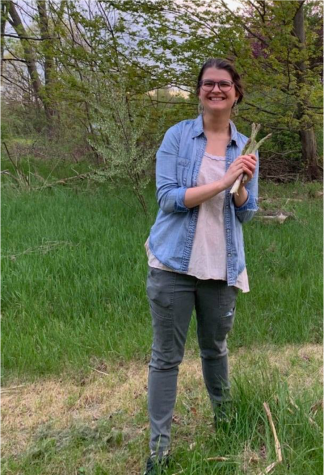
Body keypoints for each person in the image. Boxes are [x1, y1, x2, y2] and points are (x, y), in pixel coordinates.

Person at [143, 58, 258, 474]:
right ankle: (159, 451)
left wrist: (242, 188)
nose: (216, 90)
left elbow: (247, 213)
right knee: (166, 358)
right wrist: (224, 181)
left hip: (221, 267)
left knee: (215, 350)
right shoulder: (177, 137)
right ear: (198, 92)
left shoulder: (245, 146)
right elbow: (169, 197)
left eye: (223, 84)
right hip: (173, 263)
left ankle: (226, 426)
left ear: (236, 92)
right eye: (208, 84)